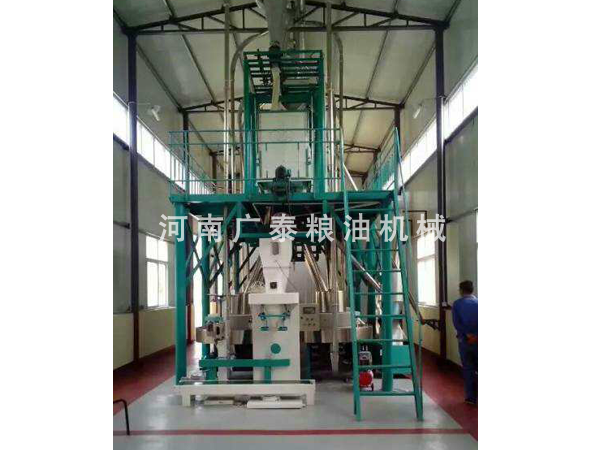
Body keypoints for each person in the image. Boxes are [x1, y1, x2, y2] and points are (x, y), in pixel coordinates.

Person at [452, 280, 478, 405]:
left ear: (461, 290)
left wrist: (468, 334)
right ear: (472, 289)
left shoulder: (457, 304)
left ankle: (471, 398)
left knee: (468, 369)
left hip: (465, 341)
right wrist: (476, 335)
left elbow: (456, 323)